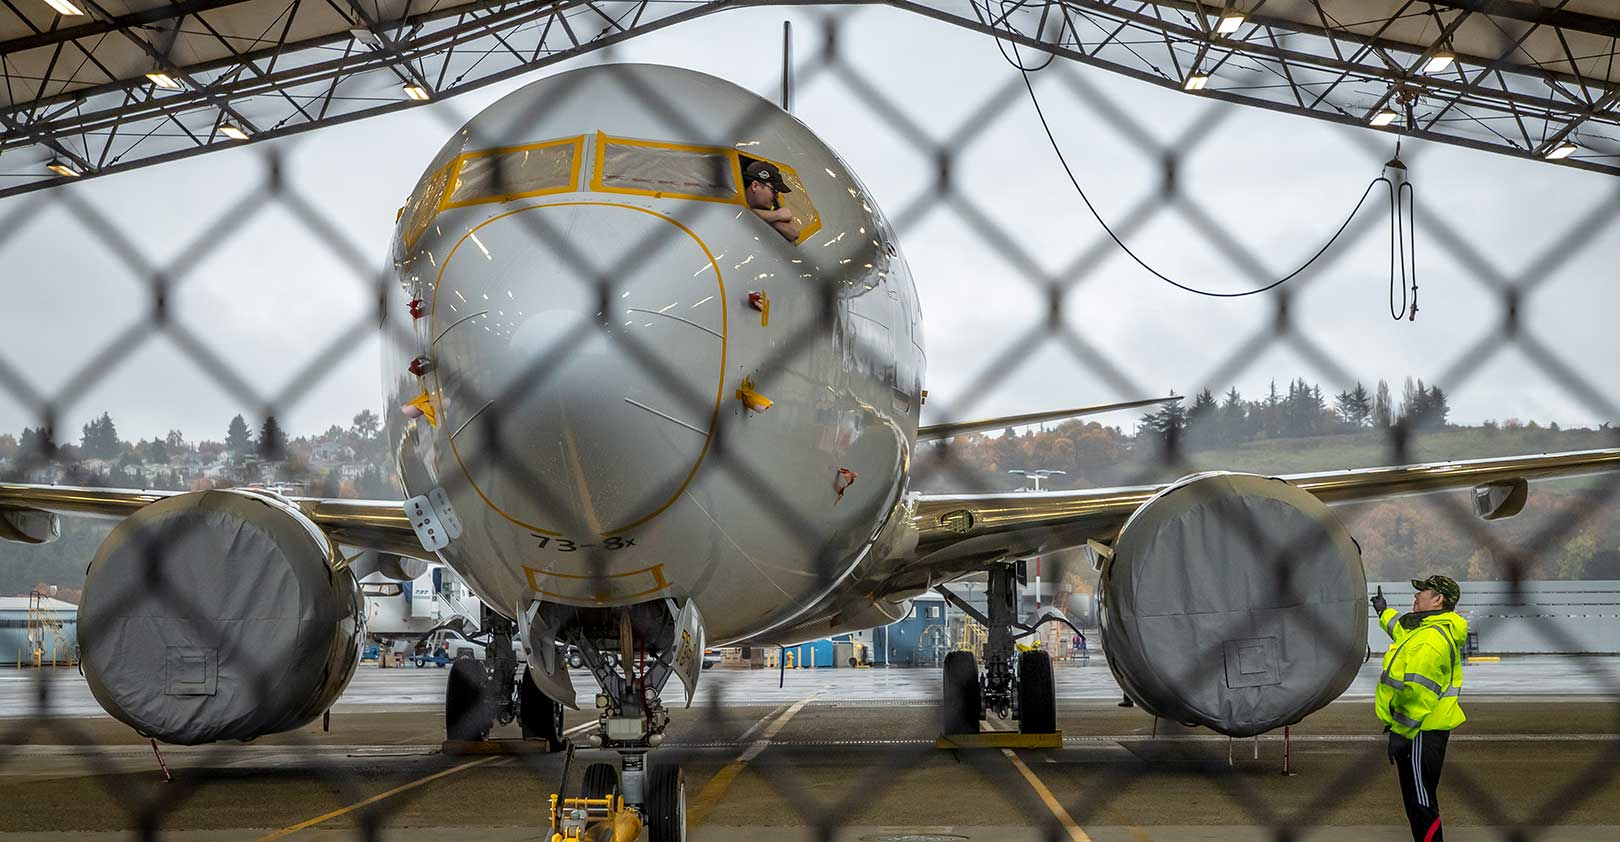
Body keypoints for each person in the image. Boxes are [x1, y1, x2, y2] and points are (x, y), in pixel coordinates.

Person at [1372, 575, 1467, 842]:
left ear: (1438, 600)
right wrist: (1383, 612)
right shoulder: (1427, 629)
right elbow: (1401, 632)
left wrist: (1401, 733)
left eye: (1422, 592)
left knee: (1421, 804)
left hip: (1419, 732)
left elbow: (1418, 693)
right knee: (1418, 801)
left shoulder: (1430, 640)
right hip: (1423, 729)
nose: (1416, 595)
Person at [743, 161, 801, 242]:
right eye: (774, 191)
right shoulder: (733, 197)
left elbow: (794, 233)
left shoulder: (771, 206)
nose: (777, 196)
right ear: (755, 186)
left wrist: (768, 219)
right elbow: (739, 213)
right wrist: (776, 215)